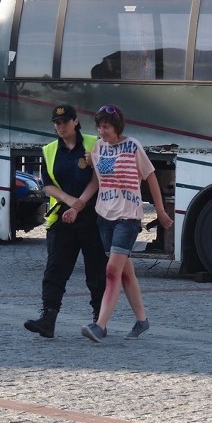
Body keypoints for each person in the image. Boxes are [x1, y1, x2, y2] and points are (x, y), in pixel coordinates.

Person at [80, 104, 173, 342]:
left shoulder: (133, 146)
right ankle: (142, 321)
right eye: (99, 127)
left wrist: (160, 211)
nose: (102, 132)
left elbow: (150, 176)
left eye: (107, 127)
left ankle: (100, 326)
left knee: (112, 271)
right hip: (105, 217)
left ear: (117, 127)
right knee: (125, 273)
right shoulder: (98, 147)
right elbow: (96, 181)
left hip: (128, 217)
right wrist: (77, 205)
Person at [24, 104, 107, 339]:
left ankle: (99, 321)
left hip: (94, 216)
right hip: (63, 216)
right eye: (56, 123)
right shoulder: (50, 150)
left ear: (76, 121)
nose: (60, 126)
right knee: (55, 270)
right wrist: (71, 201)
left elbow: (102, 176)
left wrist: (80, 203)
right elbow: (47, 183)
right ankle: (48, 319)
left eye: (64, 122)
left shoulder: (94, 144)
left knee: (97, 273)